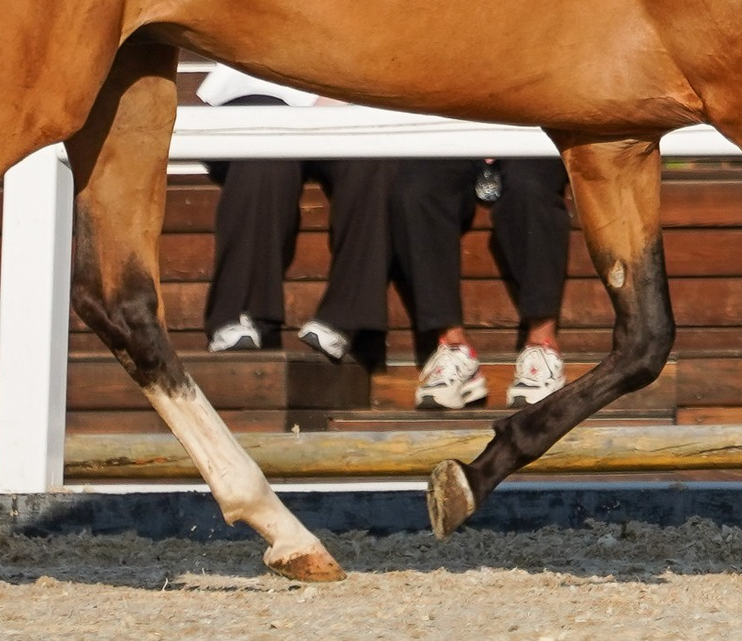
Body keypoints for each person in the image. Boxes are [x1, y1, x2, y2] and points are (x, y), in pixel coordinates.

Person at [197, 64, 400, 365]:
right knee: (265, 158)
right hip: (263, 85)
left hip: (348, 94)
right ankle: (241, 314)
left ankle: (346, 316)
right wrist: (312, 99)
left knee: (371, 162)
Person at [393, 158, 571, 409]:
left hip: (529, 134)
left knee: (529, 188)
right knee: (415, 191)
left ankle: (542, 344)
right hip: (458, 137)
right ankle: (454, 348)